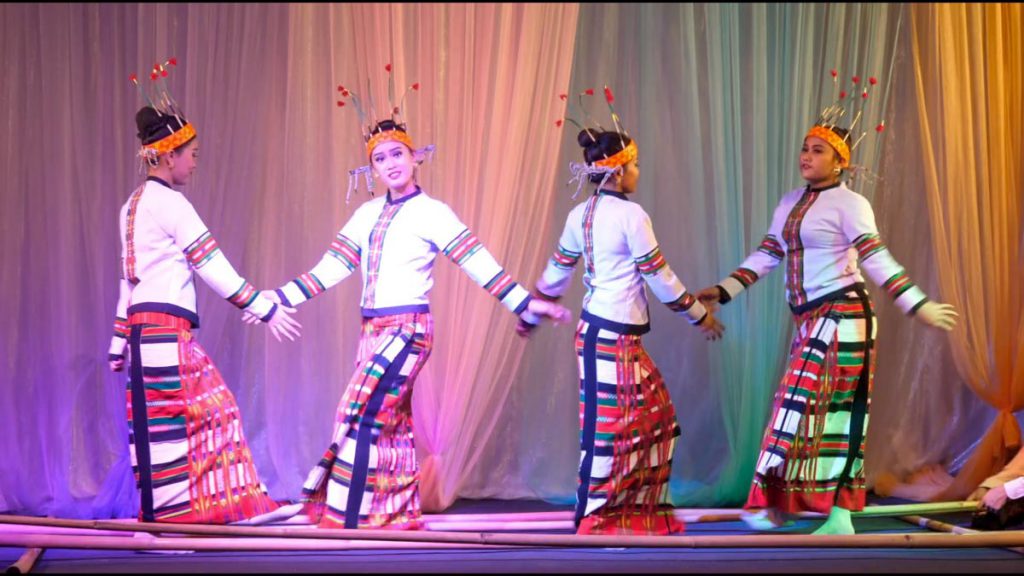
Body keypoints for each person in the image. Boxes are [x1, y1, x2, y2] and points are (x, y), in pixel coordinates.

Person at [266, 74, 571, 530]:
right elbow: (331, 267)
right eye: (380, 159)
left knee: (359, 408)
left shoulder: (433, 212)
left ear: (416, 157)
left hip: (409, 330)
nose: (389, 164)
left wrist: (524, 303)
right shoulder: (366, 214)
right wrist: (276, 298)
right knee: (389, 422)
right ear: (370, 169)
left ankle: (351, 515)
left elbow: (476, 262)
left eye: (397, 154)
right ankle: (391, 513)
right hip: (371, 331)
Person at [697, 80, 958, 535]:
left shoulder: (851, 204)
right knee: (802, 412)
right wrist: (721, 291)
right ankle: (782, 505)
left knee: (832, 412)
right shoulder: (788, 203)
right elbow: (767, 254)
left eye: (818, 151)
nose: (806, 157)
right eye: (805, 148)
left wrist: (918, 305)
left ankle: (837, 514)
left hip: (844, 317)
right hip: (809, 320)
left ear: (841, 161)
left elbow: (875, 258)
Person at [108, 61, 302, 524]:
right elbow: (211, 264)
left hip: (143, 332)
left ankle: (174, 516)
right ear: (169, 155)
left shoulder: (130, 206)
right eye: (191, 152)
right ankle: (185, 518)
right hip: (163, 333)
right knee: (195, 417)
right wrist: (264, 307)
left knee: (167, 424)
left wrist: (118, 341)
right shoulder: (172, 203)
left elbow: (127, 280)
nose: (195, 161)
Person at [525, 87, 725, 535]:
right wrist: (699, 315)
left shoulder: (581, 214)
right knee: (610, 429)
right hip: (608, 334)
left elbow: (556, 274)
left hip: (605, 333)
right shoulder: (631, 217)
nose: (638, 172)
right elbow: (659, 275)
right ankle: (597, 519)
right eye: (633, 165)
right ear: (616, 172)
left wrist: (533, 311)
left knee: (651, 419)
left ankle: (626, 512)